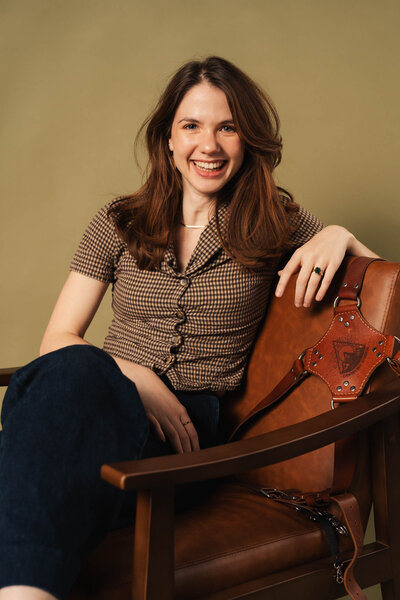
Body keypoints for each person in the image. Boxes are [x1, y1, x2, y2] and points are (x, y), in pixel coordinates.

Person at [0, 56, 379, 600]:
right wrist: (137, 378)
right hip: (90, 399)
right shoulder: (117, 221)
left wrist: (340, 235)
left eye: (227, 127)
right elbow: (56, 339)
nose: (210, 144)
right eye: (192, 126)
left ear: (247, 139)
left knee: (32, 452)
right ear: (168, 140)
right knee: (70, 369)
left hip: (183, 437)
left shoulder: (275, 222)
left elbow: (386, 289)